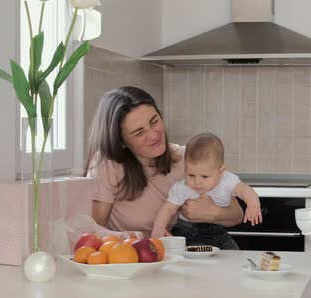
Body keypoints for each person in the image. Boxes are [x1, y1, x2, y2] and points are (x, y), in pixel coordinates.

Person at [84, 86, 244, 248]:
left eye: (154, 121)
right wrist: (126, 238)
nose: (154, 135)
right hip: (128, 259)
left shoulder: (183, 158)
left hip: (169, 256)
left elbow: (237, 214)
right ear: (121, 141)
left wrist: (212, 213)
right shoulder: (108, 164)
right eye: (139, 132)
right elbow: (95, 229)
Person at [151, 132, 262, 239]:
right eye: (191, 175)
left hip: (217, 230)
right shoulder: (182, 188)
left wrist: (253, 204)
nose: (197, 182)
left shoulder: (226, 180)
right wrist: (159, 228)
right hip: (187, 232)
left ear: (220, 172)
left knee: (234, 251)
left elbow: (244, 190)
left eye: (204, 176)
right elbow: (168, 208)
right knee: (195, 256)